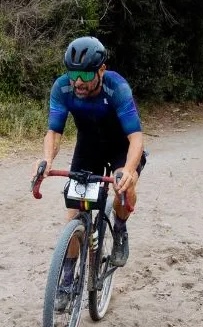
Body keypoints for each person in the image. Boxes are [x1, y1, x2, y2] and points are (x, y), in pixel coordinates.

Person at [36, 36, 146, 308]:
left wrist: (129, 171)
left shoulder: (116, 87)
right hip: (89, 147)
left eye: (85, 74)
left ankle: (119, 229)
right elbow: (54, 132)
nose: (78, 82)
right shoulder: (62, 88)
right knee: (73, 212)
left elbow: (136, 138)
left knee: (125, 187)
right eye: (72, 74)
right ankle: (69, 277)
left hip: (121, 146)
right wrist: (47, 160)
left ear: (101, 70)